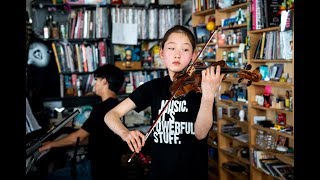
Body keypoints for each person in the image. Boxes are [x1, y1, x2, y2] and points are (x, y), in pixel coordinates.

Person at [104, 25, 223, 180]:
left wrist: (209, 95)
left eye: (185, 50)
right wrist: (125, 133)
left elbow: (200, 134)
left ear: (194, 55)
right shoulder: (153, 87)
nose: (177, 55)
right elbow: (111, 115)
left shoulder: (201, 88)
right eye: (171, 48)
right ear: (162, 53)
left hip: (193, 174)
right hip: (159, 174)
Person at [39, 64, 126, 179]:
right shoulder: (119, 106)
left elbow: (77, 138)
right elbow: (98, 137)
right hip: (110, 167)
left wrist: (50, 144)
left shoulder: (101, 108)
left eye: (96, 80)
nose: (94, 84)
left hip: (96, 168)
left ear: (104, 81)